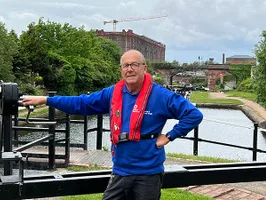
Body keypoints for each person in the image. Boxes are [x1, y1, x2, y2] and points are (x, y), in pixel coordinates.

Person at [22, 49, 203, 200]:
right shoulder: (113, 93)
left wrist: (169, 136)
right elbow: (81, 103)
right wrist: (46, 99)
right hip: (120, 171)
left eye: (134, 65)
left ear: (144, 68)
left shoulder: (161, 96)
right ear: (121, 70)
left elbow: (193, 114)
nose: (130, 69)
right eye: (126, 65)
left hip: (148, 173)